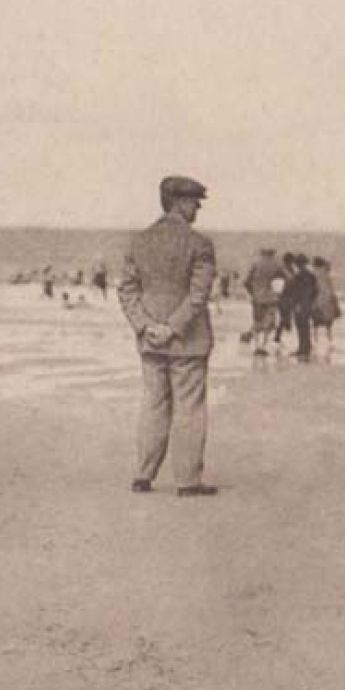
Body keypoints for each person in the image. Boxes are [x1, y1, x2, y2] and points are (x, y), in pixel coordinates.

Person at [116, 175, 218, 496]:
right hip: (187, 340)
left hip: (149, 339)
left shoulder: (138, 241)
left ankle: (143, 475)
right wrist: (172, 328)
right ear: (179, 202)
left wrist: (146, 326)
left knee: (153, 404)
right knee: (189, 408)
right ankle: (187, 481)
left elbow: (127, 290)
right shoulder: (200, 244)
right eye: (194, 202)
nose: (198, 207)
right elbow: (198, 296)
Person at [243, 248, 281, 356]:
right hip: (271, 298)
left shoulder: (255, 264)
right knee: (268, 324)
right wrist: (278, 291)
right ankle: (264, 346)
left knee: (257, 322)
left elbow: (246, 281)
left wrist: (252, 292)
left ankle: (257, 346)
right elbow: (288, 278)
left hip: (257, 298)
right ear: (272, 254)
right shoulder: (276, 264)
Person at [284, 254, 318, 360]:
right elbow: (316, 290)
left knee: (301, 327)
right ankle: (306, 347)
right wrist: (311, 300)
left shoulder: (297, 276)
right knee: (306, 326)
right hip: (308, 304)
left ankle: (302, 349)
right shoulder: (311, 276)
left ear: (297, 264)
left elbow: (292, 291)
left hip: (299, 304)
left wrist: (293, 303)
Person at [308, 256, 342, 360]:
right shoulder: (326, 274)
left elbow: (312, 288)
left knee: (315, 324)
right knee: (328, 324)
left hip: (316, 301)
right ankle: (330, 342)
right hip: (327, 301)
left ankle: (315, 342)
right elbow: (331, 289)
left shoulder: (313, 274)